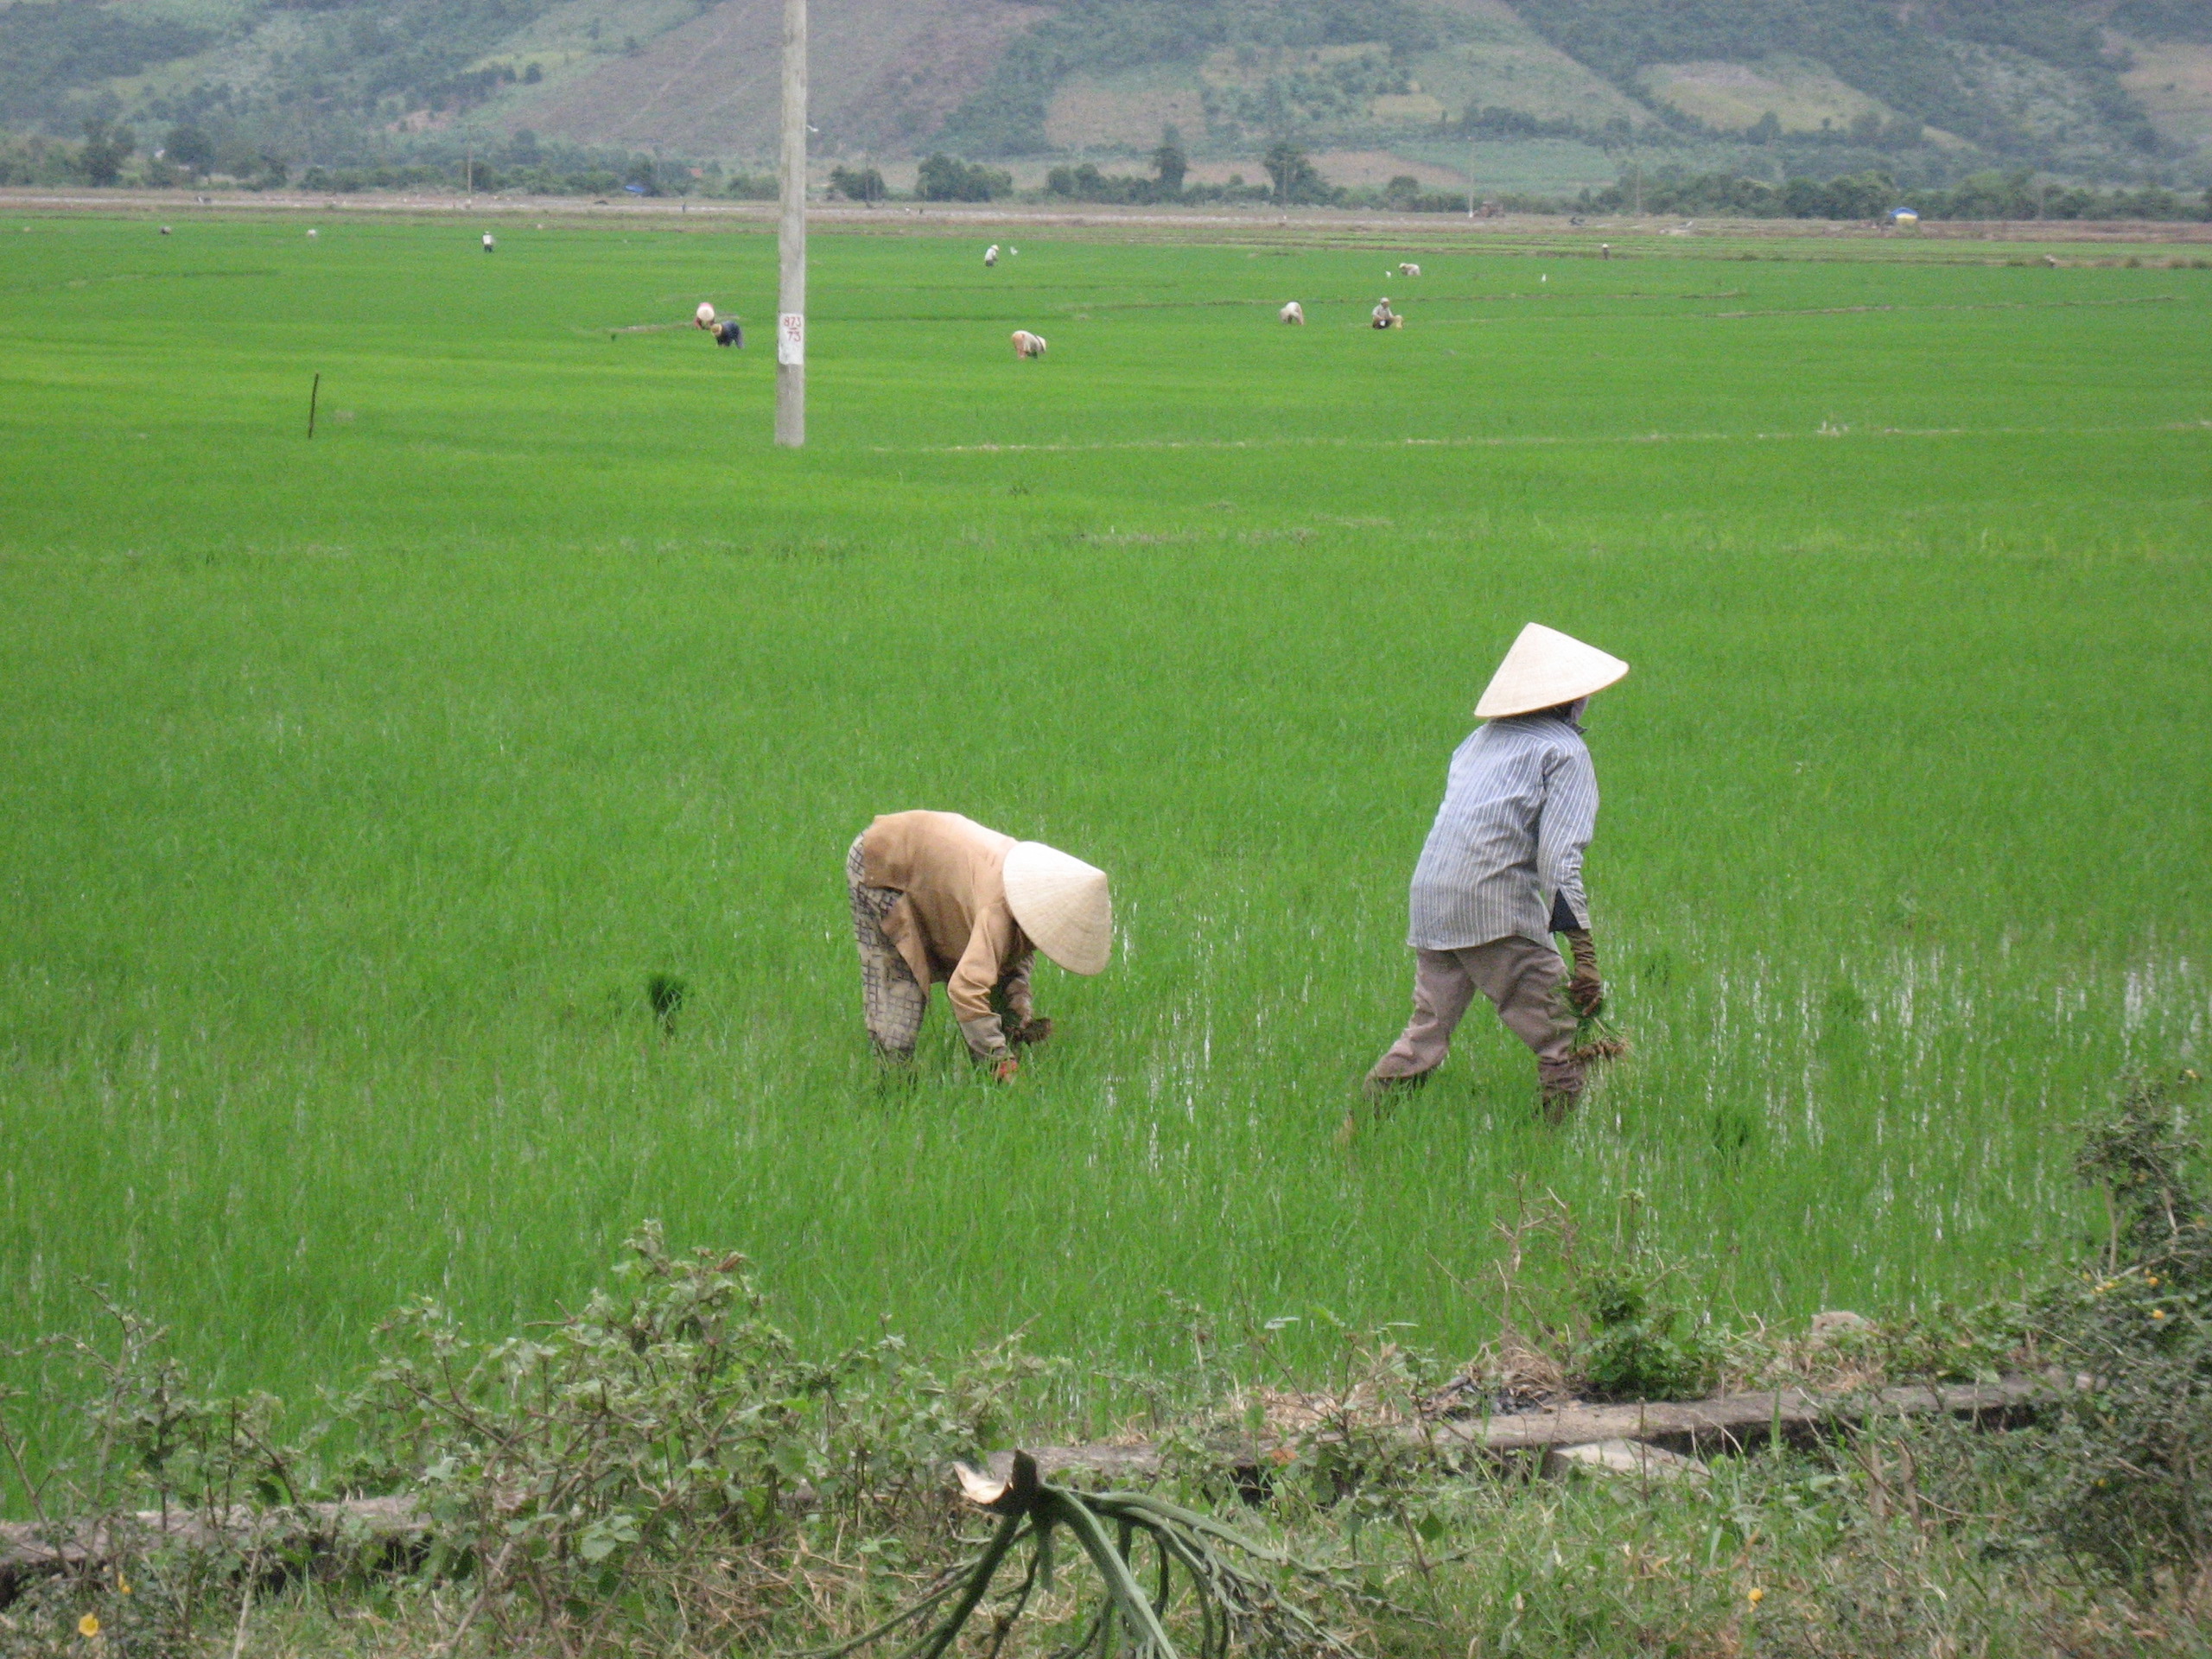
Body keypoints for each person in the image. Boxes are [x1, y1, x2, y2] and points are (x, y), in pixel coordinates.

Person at [1358, 623, 1629, 1128]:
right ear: (1570, 699)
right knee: (1564, 1036)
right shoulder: (1564, 752)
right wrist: (1584, 954)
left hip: (1433, 898)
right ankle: (1552, 1151)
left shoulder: (1477, 741)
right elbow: (1559, 860)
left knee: (1426, 1033)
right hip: (1493, 904)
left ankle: (1355, 1136)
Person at [848, 811, 1111, 1078]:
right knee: (903, 982)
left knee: (993, 971)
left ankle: (1001, 1055)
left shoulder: (1025, 902)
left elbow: (1011, 964)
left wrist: (1019, 1022)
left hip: (930, 863)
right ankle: (892, 1082)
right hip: (883, 863)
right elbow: (965, 989)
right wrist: (997, 1060)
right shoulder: (998, 910)